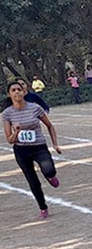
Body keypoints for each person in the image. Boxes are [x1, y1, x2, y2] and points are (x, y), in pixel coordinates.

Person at [2, 81, 62, 219]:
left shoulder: (35, 108)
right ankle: (43, 207)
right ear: (9, 94)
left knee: (49, 170)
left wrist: (55, 144)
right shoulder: (7, 114)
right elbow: (10, 140)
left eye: (19, 89)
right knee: (33, 182)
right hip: (22, 151)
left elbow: (49, 126)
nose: (17, 92)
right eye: (13, 90)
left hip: (39, 147)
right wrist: (16, 132)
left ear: (24, 92)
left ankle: (50, 176)